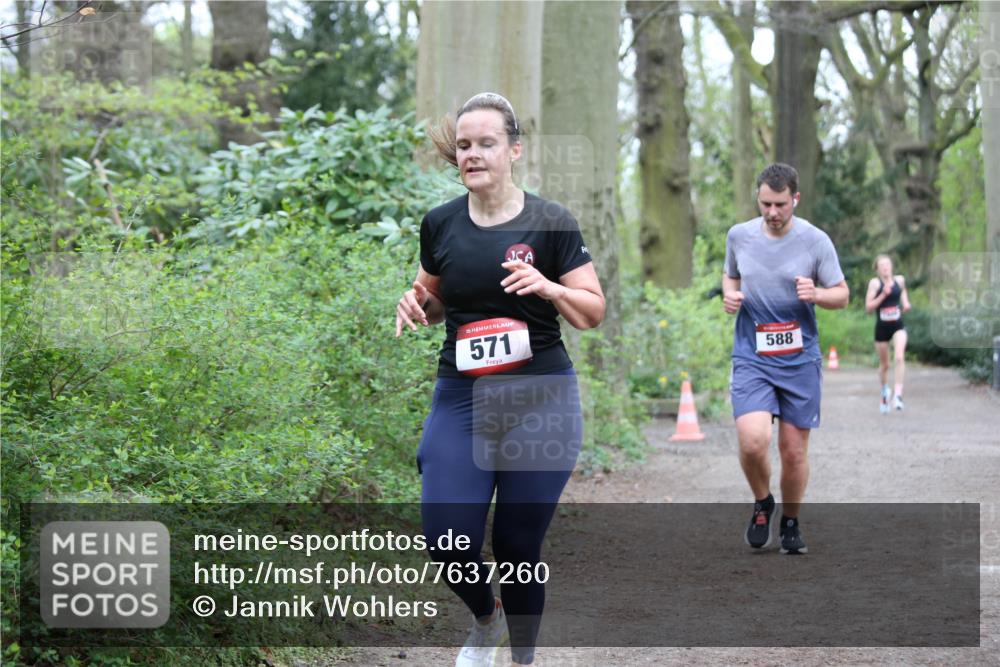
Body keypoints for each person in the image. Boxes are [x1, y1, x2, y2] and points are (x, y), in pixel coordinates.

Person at [395, 92, 605, 667]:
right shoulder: (440, 223)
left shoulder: (551, 222)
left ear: (514, 150)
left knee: (516, 544)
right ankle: (487, 621)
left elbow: (592, 311)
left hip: (542, 396)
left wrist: (550, 287)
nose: (472, 154)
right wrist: (413, 304)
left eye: (486, 143)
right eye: (463, 145)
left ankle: (522, 659)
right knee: (447, 537)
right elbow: (434, 299)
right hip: (462, 396)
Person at [722, 163, 849, 555]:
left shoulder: (815, 241)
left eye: (780, 204)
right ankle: (763, 503)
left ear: (795, 198)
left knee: (793, 451)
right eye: (765, 204)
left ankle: (791, 522)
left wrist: (817, 294)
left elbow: (842, 295)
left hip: (799, 360)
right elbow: (730, 275)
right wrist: (731, 294)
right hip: (752, 355)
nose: (772, 212)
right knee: (752, 441)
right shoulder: (739, 236)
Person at [864, 254, 911, 413]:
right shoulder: (875, 283)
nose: (885, 267)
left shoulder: (900, 280)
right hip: (882, 329)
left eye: (888, 264)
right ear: (877, 269)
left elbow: (903, 292)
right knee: (885, 365)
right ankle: (885, 391)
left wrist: (905, 303)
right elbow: (868, 308)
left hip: (898, 326)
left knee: (899, 357)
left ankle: (898, 395)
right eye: (882, 265)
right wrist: (883, 294)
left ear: (891, 266)